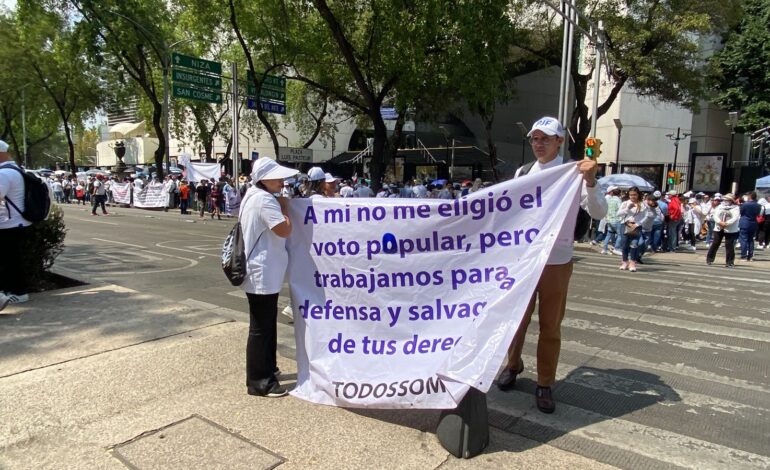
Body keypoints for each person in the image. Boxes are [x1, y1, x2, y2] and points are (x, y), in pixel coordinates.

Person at [496, 117, 607, 413]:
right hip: (524, 261)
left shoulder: (575, 173)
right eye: (535, 138)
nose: (539, 144)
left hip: (556, 261)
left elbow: (598, 212)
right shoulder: (523, 172)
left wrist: (592, 181)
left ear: (560, 141)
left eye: (546, 138)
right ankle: (513, 364)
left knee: (550, 326)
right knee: (516, 320)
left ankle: (545, 382)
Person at [240, 157, 298, 398]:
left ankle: (268, 369)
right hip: (262, 272)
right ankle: (260, 381)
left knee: (265, 325)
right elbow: (284, 229)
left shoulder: (253, 195)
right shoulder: (264, 200)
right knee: (261, 328)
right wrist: (285, 208)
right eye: (278, 177)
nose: (282, 182)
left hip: (261, 271)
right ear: (264, 179)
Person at [0, 140, 31, 310]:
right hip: (15, 222)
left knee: (10, 260)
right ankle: (12, 290)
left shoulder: (4, 174)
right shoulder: (15, 170)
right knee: (10, 259)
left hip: (8, 224)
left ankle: (18, 293)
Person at [616, 187, 653, 271]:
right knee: (625, 244)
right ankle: (625, 261)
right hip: (625, 225)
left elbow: (646, 215)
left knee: (635, 244)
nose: (632, 196)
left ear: (638, 195)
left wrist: (638, 224)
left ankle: (632, 262)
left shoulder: (642, 204)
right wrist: (627, 208)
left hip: (636, 226)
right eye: (631, 195)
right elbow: (618, 214)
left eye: (634, 195)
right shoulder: (625, 203)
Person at [705, 193, 740, 267]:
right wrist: (720, 222)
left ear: (731, 201)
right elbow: (715, 215)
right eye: (724, 200)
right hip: (718, 228)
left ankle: (729, 262)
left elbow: (735, 217)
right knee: (715, 243)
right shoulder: (719, 207)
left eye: (727, 200)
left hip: (730, 229)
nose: (725, 201)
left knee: (729, 245)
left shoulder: (736, 208)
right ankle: (709, 259)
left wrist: (726, 223)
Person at [738, 191, 761, 261]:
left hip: (745, 222)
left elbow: (741, 212)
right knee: (751, 240)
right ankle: (750, 256)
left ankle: (743, 255)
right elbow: (758, 213)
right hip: (753, 223)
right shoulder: (758, 205)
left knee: (743, 239)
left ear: (750, 196)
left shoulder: (745, 204)